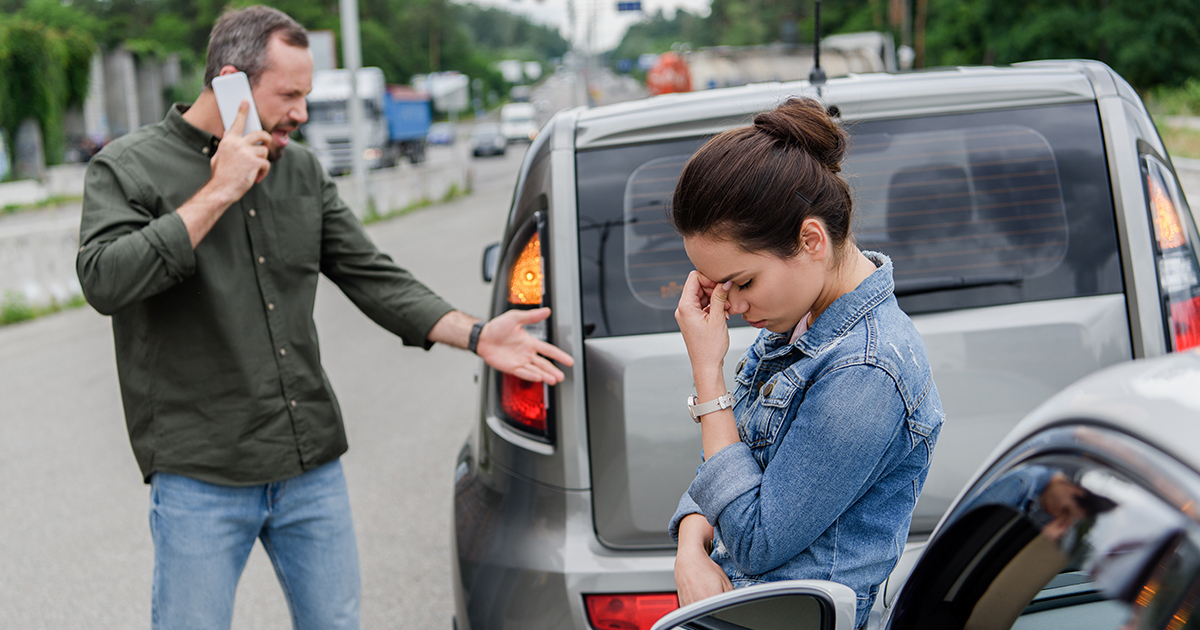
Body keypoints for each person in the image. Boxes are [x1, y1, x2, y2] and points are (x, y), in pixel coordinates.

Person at [75, 6, 573, 629]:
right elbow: (104, 280)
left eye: (306, 95)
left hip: (308, 465)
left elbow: (372, 273)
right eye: (290, 95)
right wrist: (219, 190)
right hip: (201, 473)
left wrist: (475, 334)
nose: (302, 114)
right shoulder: (127, 167)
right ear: (231, 81)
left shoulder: (302, 171)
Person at [667, 97, 944, 628]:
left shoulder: (866, 371)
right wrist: (689, 546)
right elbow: (732, 460)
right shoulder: (804, 323)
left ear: (811, 239)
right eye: (718, 288)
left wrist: (709, 374)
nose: (734, 307)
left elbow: (753, 538)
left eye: (743, 283)